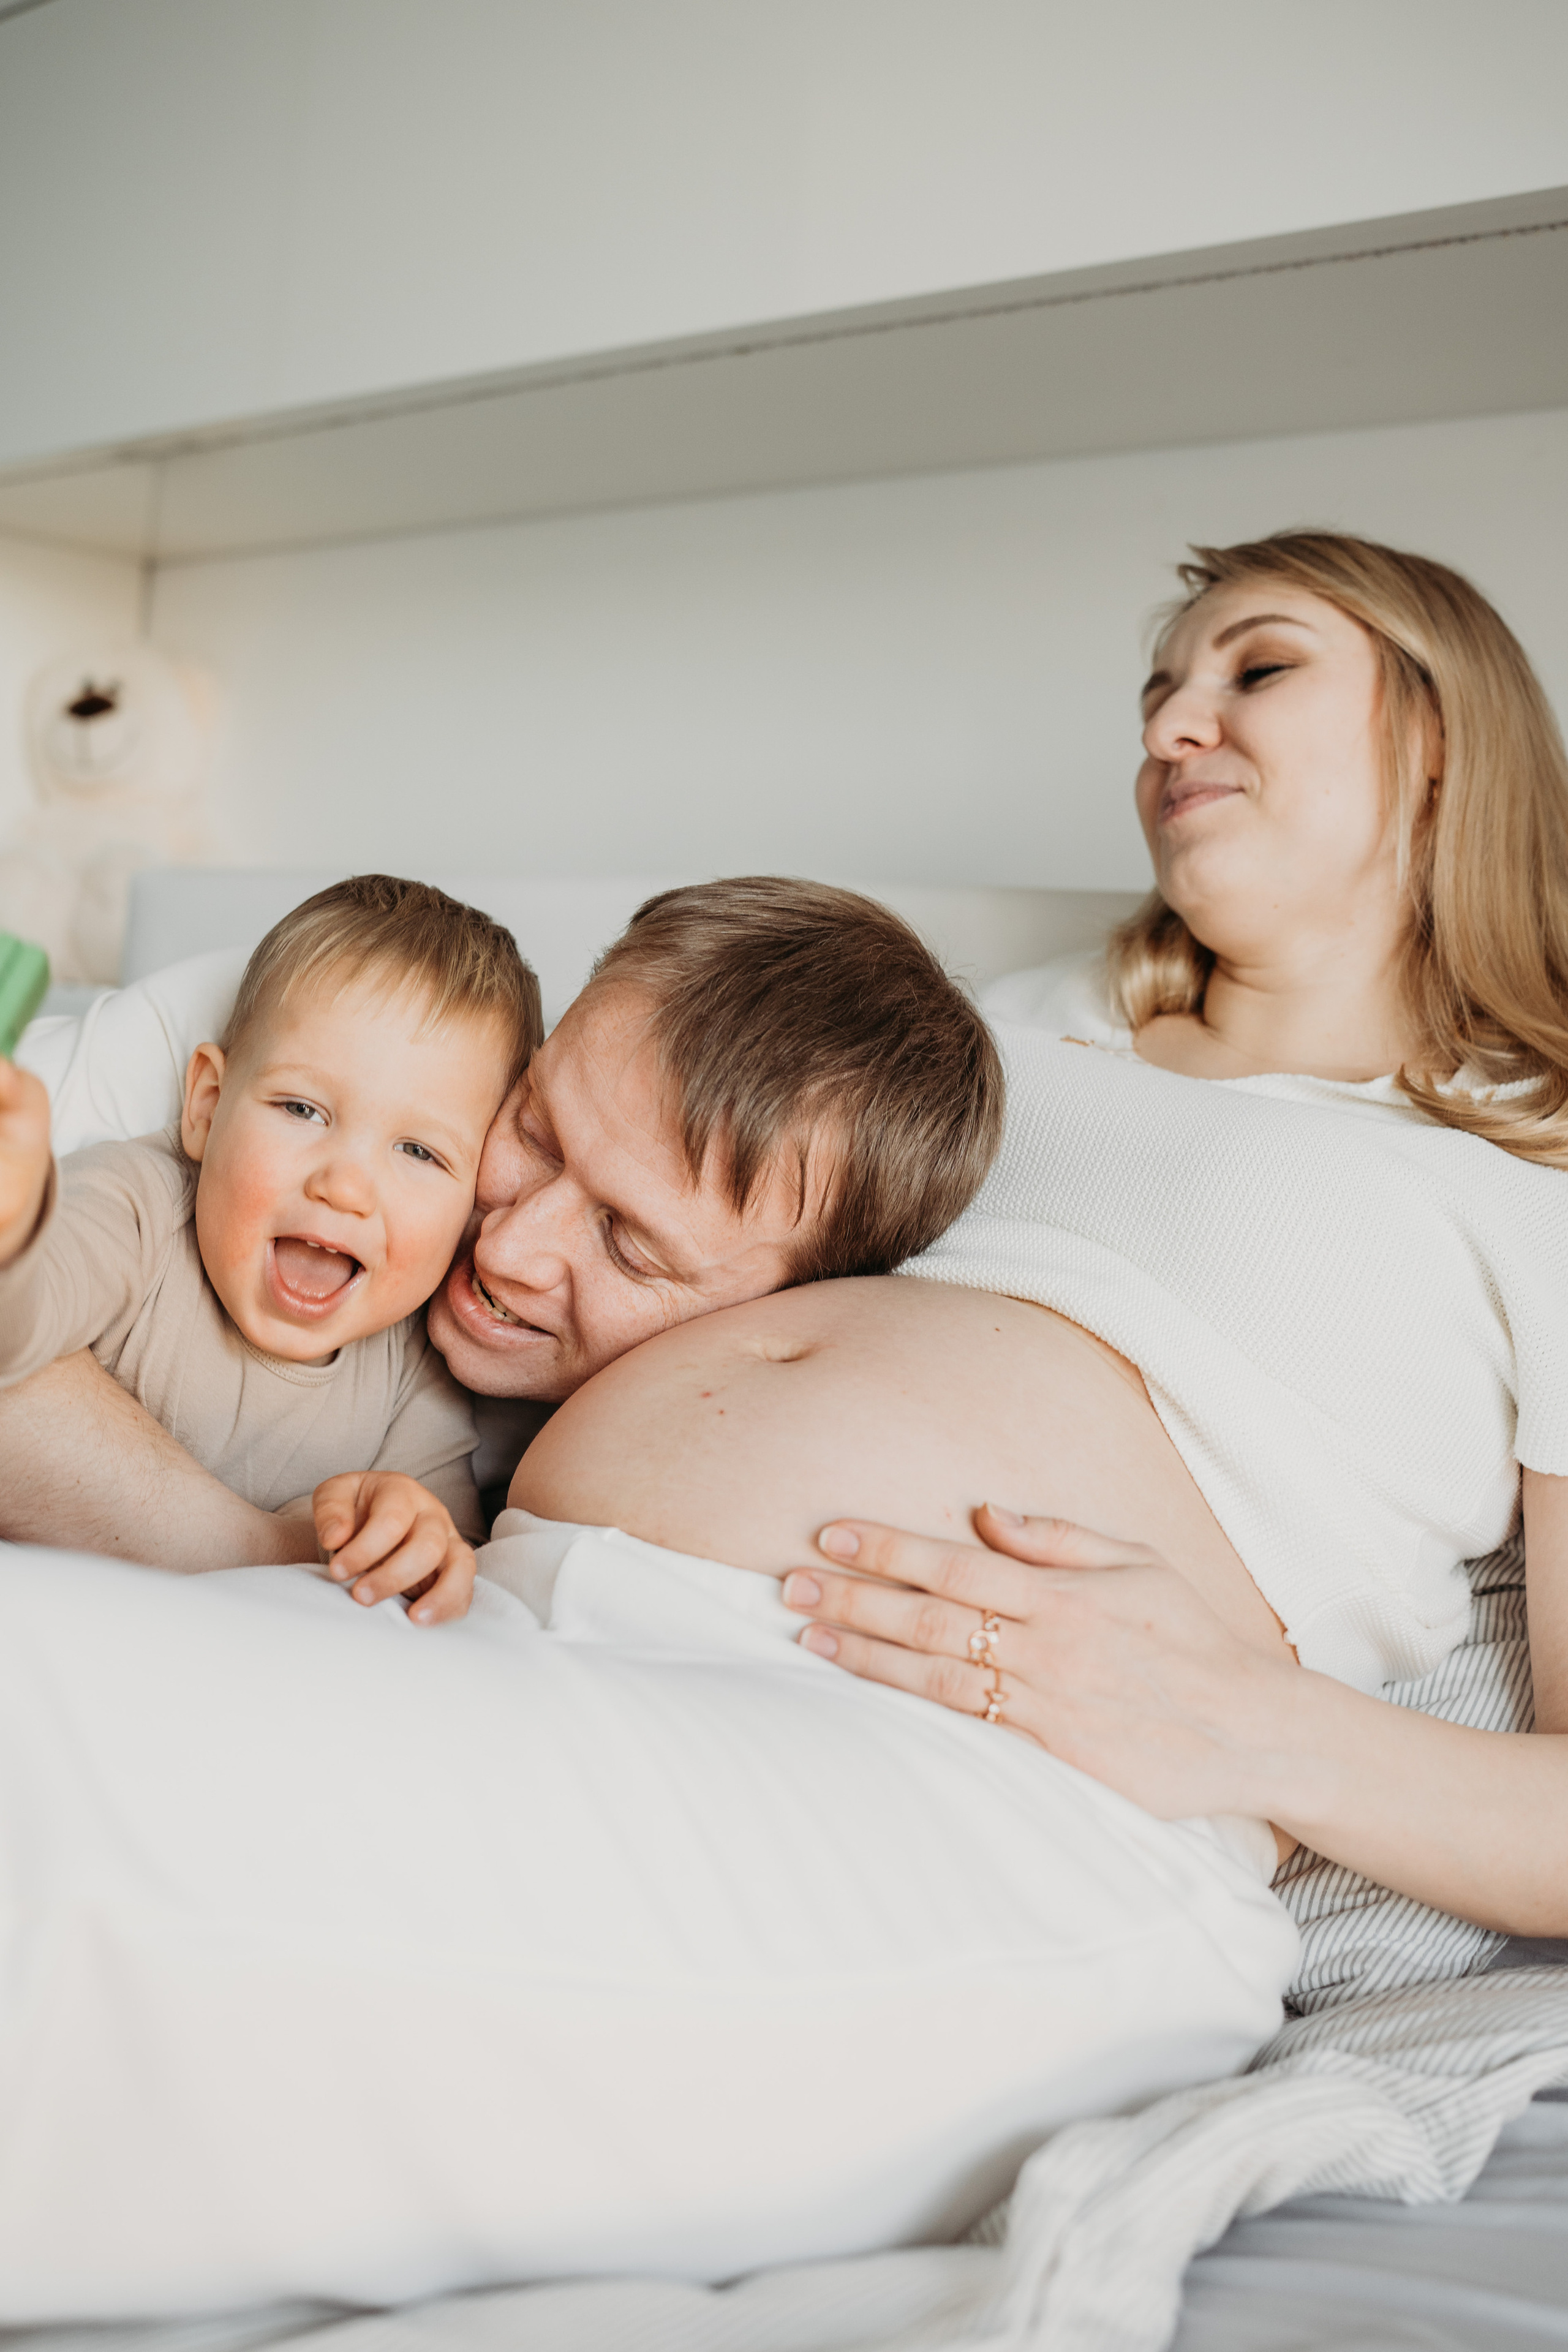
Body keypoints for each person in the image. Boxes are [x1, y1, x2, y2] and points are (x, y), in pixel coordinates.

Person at [0, 875, 541, 1616]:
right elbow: (18, 1318)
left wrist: (412, 1531)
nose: (345, 1187)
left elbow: (442, 1560)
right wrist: (13, 1232)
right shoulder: (139, 1205)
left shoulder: (411, 1369)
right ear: (207, 1109)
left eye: (419, 1152)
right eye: (302, 1108)